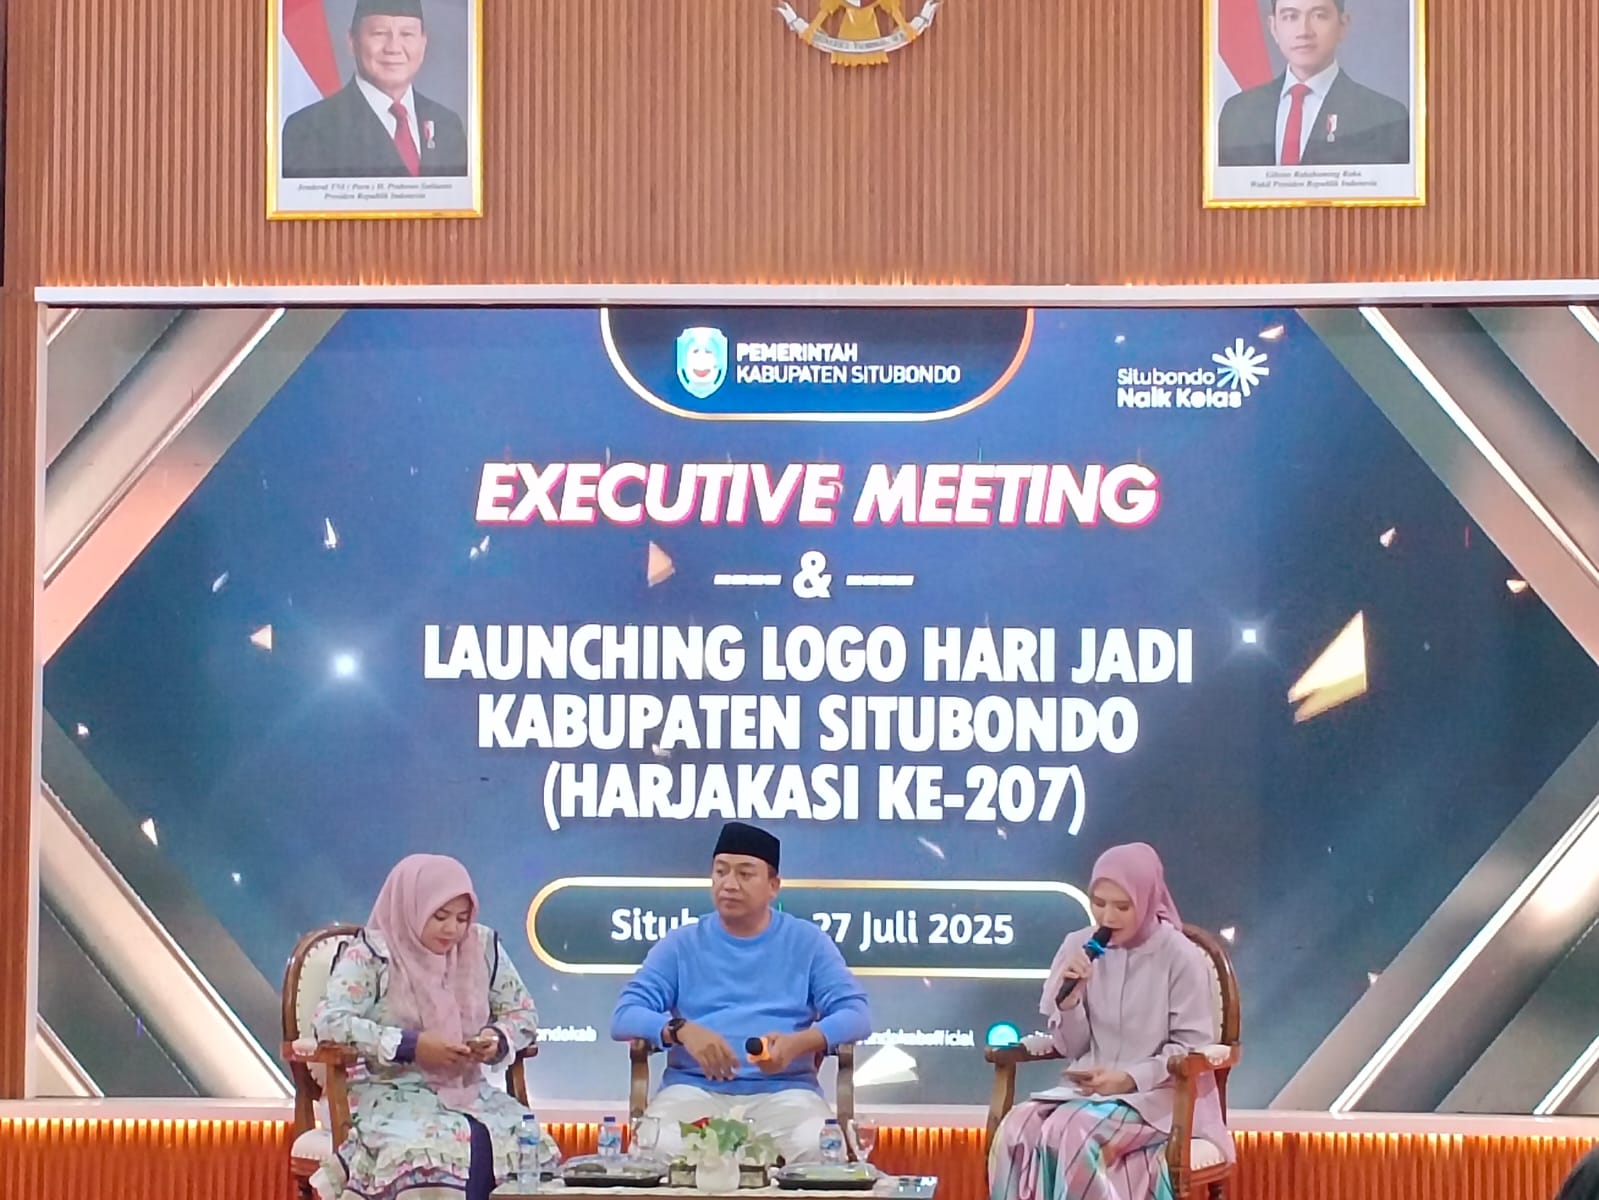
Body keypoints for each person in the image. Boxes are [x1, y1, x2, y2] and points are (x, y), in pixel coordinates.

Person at [610, 822, 873, 1163]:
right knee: (656, 1146)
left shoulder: (808, 942)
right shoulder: (681, 944)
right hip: (692, 1091)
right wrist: (679, 1030)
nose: (729, 884)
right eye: (721, 872)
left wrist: (799, 1043)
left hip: (786, 1095)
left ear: (773, 886)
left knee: (819, 1147)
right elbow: (624, 1016)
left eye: (745, 874)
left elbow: (857, 1015)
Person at [989, 843, 1234, 1200]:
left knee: (1073, 1131)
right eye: (1099, 903)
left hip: (1160, 1099)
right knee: (1016, 1127)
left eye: (1122, 906)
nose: (1108, 917)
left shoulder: (1179, 955)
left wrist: (1128, 1079)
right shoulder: (1078, 946)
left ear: (1147, 900)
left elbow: (1190, 1047)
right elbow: (1072, 1047)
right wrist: (1070, 1001)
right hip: (1087, 1095)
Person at [311, 854, 539, 1200]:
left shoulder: (481, 946)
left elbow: (523, 1013)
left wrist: (495, 1038)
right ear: (411, 908)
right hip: (389, 1090)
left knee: (521, 1139)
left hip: (470, 1090)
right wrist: (411, 1045)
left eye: (462, 918)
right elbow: (331, 1021)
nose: (453, 930)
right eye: (440, 916)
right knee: (430, 1149)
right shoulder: (372, 952)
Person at [281, 0, 468, 179]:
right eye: (379, 33)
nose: (393, 48)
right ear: (352, 41)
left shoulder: (447, 125)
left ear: (423, 43)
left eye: (407, 34)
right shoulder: (309, 129)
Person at [1216, 0, 1410, 167]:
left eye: (1319, 16)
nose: (1303, 31)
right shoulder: (1237, 113)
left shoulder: (1386, 118)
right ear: (1273, 27)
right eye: (1290, 17)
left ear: (1342, 25)